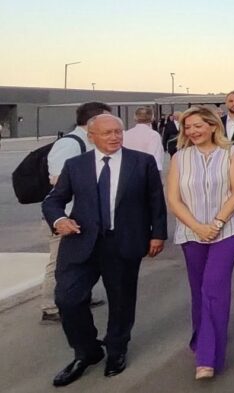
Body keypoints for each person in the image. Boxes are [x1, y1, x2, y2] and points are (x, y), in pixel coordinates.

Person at [41, 114, 167, 386]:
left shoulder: (142, 162)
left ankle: (117, 349)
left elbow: (156, 201)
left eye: (118, 132)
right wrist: (60, 220)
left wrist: (158, 234)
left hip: (123, 242)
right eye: (107, 132)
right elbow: (53, 200)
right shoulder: (76, 165)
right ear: (92, 136)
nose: (114, 137)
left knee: (121, 301)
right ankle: (87, 351)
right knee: (67, 298)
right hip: (81, 242)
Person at [166, 106, 234, 379]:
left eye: (198, 125)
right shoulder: (179, 158)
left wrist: (215, 224)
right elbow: (174, 199)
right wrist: (197, 227)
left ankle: (208, 357)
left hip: (229, 230)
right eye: (188, 127)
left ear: (213, 126)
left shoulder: (232, 153)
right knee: (198, 289)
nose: (192, 131)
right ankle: (201, 336)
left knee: (213, 286)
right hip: (191, 232)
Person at [41, 101, 111, 323]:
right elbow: (57, 180)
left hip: (86, 215)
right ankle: (51, 306)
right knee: (60, 262)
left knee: (85, 259)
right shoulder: (69, 144)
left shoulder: (89, 142)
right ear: (92, 121)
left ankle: (80, 296)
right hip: (67, 216)